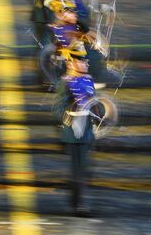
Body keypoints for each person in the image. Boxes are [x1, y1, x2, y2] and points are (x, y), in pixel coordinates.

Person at [54, 41, 96, 217]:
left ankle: (77, 201)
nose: (85, 64)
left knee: (84, 170)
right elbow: (58, 109)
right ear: (71, 63)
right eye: (81, 61)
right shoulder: (66, 83)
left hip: (86, 131)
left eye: (85, 61)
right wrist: (72, 111)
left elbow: (94, 104)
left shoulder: (88, 80)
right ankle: (78, 205)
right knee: (76, 171)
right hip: (72, 132)